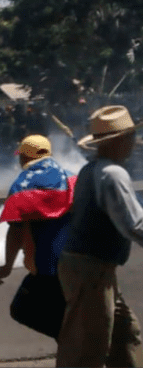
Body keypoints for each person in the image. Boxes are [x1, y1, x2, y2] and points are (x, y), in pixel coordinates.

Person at [55, 105, 143, 367]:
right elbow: (134, 224)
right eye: (129, 137)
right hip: (90, 271)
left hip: (91, 270)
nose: (134, 142)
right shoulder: (113, 174)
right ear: (119, 141)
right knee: (87, 349)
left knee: (125, 335)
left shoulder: (91, 170)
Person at [0, 134, 77, 340]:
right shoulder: (72, 177)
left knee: (22, 309)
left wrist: (7, 266)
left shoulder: (22, 186)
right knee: (67, 315)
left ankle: (72, 344)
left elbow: (16, 231)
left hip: (47, 269)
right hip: (77, 263)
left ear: (23, 158)